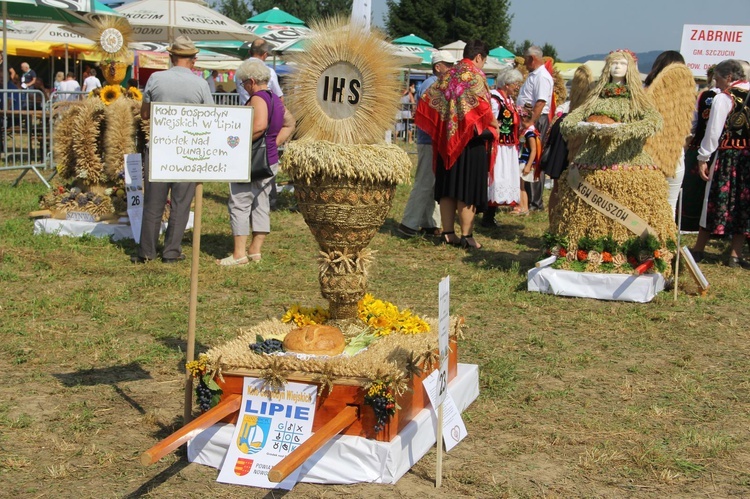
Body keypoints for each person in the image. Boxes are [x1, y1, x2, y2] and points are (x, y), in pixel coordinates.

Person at [551, 49, 676, 262]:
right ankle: (581, 251)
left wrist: (625, 130)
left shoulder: (638, 99)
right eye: (614, 63)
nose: (617, 67)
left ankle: (631, 252)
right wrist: (584, 128)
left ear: (630, 69)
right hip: (591, 160)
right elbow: (571, 120)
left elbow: (654, 121)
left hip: (628, 159)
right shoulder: (595, 98)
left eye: (622, 64)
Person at [132, 36, 214, 264]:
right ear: (193, 60)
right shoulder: (200, 84)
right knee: (181, 203)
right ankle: (171, 252)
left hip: (159, 147)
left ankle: (146, 252)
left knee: (153, 203)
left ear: (170, 56)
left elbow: (145, 114)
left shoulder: (156, 79)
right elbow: (211, 117)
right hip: (188, 149)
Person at [415, 39, 498, 250]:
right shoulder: (476, 76)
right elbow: (484, 111)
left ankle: (448, 233)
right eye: (484, 61)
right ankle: (467, 235)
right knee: (466, 189)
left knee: (448, 188)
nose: (483, 65)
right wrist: (494, 125)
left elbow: (428, 100)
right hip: (470, 143)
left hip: (446, 141)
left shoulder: (448, 75)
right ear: (478, 57)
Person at [217, 59, 295, 266]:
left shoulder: (258, 98)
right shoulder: (276, 100)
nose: (243, 87)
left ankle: (239, 254)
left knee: (240, 203)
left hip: (251, 161)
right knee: (261, 203)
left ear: (251, 80)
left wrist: (234, 144)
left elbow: (259, 126)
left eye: (243, 83)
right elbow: (290, 123)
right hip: (269, 160)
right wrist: (274, 142)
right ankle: (255, 250)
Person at [691, 59, 750, 268]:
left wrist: (703, 157)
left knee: (712, 201)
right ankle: (734, 255)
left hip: (727, 157)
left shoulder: (724, 98)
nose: (715, 84)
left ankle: (698, 250)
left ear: (729, 78)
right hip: (747, 158)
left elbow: (713, 132)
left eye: (717, 79)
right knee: (743, 206)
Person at [398, 50, 456, 238]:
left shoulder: (431, 84)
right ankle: (409, 223)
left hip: (430, 140)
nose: (451, 69)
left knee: (430, 182)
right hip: (430, 140)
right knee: (424, 182)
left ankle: (429, 222)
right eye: (448, 65)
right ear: (438, 67)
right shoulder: (434, 85)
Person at [644, 50, 691, 216]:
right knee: (669, 207)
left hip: (649, 155)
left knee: (644, 206)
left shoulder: (646, 94)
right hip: (676, 156)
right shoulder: (687, 97)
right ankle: (667, 241)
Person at [482, 66, 523, 227]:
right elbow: (489, 119)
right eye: (515, 84)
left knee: (504, 177)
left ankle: (491, 214)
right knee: (496, 177)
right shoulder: (495, 99)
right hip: (498, 145)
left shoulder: (509, 100)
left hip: (508, 145)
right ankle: (487, 215)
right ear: (506, 84)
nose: (517, 87)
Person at [516, 46, 554, 211]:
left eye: (525, 59)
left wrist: (531, 121)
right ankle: (529, 199)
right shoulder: (534, 75)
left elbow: (540, 102)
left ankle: (535, 202)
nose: (524, 63)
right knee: (526, 156)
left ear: (532, 58)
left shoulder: (542, 76)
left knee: (534, 157)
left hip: (536, 120)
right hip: (529, 119)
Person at [682, 66, 717, 232]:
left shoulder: (704, 95)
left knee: (693, 188)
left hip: (699, 147)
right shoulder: (711, 95)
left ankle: (690, 223)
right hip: (718, 149)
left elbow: (693, 124)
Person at [233, 39, 282, 105]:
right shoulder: (270, 72)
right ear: (265, 54)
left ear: (249, 52)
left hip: (246, 110)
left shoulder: (239, 71)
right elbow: (279, 97)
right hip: (265, 111)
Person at [516, 106, 540, 216]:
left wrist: (528, 165)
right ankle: (522, 206)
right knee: (520, 185)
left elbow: (534, 150)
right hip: (522, 160)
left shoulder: (530, 133)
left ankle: (524, 208)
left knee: (521, 186)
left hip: (524, 161)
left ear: (525, 119)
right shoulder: (525, 131)